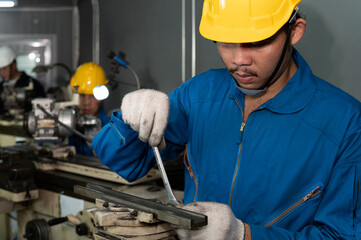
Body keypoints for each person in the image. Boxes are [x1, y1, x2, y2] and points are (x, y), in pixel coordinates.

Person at [91, 0, 361, 239]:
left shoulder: (345, 122)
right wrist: (128, 120)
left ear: (294, 31)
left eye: (257, 42)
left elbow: (341, 235)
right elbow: (122, 161)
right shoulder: (199, 94)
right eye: (226, 41)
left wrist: (245, 235)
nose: (239, 60)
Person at [68, 62, 110, 156]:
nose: (86, 102)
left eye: (93, 96)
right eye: (82, 95)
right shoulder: (66, 124)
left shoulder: (112, 127)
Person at [0, 45, 46, 115]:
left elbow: (43, 109)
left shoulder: (34, 85)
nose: (1, 73)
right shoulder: (1, 87)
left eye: (4, 69)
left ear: (14, 65)